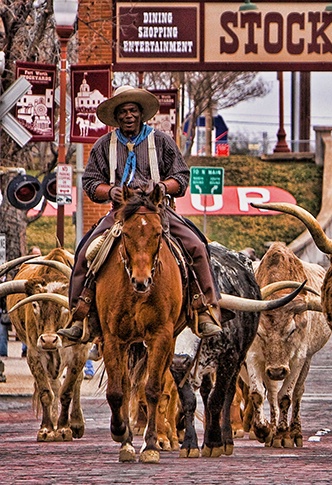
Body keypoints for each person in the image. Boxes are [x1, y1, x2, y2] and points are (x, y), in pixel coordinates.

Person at [58, 85, 222, 343]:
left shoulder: (162, 141)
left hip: (159, 212)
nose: (128, 116)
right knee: (84, 253)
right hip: (121, 214)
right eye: (122, 111)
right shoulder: (104, 145)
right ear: (116, 116)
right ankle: (80, 315)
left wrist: (162, 187)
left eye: (133, 110)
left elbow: (181, 176)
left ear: (141, 113)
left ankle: (204, 309)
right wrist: (109, 191)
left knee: (197, 246)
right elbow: (90, 181)